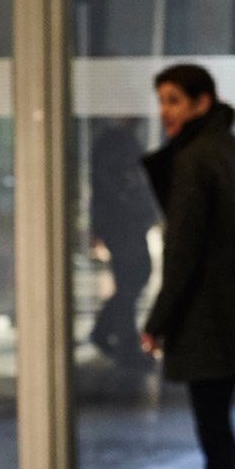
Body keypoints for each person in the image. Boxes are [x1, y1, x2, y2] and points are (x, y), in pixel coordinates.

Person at [140, 64, 235, 469]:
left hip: (206, 318)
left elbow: (183, 252)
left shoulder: (194, 160)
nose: (165, 111)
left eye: (174, 101)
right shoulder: (233, 147)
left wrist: (156, 321)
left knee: (213, 429)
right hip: (233, 311)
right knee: (218, 426)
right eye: (162, 101)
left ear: (202, 102)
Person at [87, 119, 159, 367]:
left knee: (135, 276)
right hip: (122, 223)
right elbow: (112, 186)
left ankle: (107, 331)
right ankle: (122, 341)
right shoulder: (113, 143)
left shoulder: (121, 141)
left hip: (127, 222)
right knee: (132, 277)